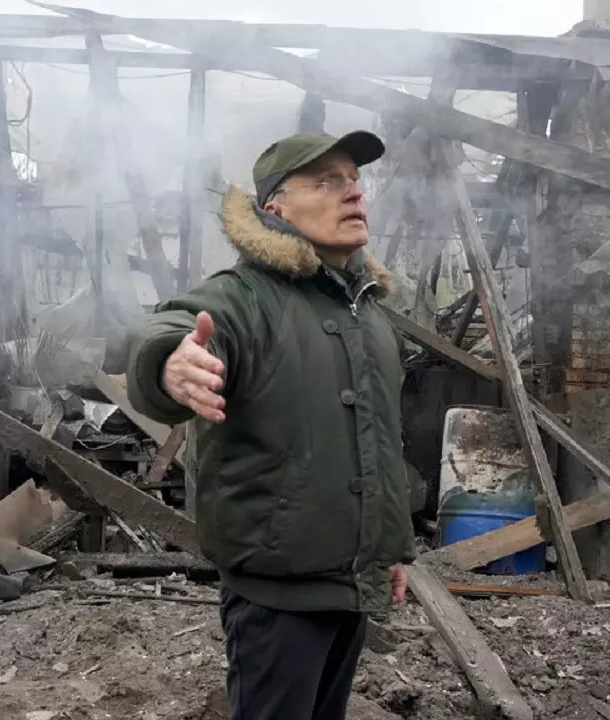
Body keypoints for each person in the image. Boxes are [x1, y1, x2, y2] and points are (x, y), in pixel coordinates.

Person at [118, 130, 416, 720]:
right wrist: (171, 361)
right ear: (274, 207)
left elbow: (379, 443)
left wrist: (391, 545)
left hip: (351, 582)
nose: (352, 193)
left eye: (355, 180)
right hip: (277, 595)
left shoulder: (370, 314)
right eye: (328, 181)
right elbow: (171, 326)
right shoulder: (246, 298)